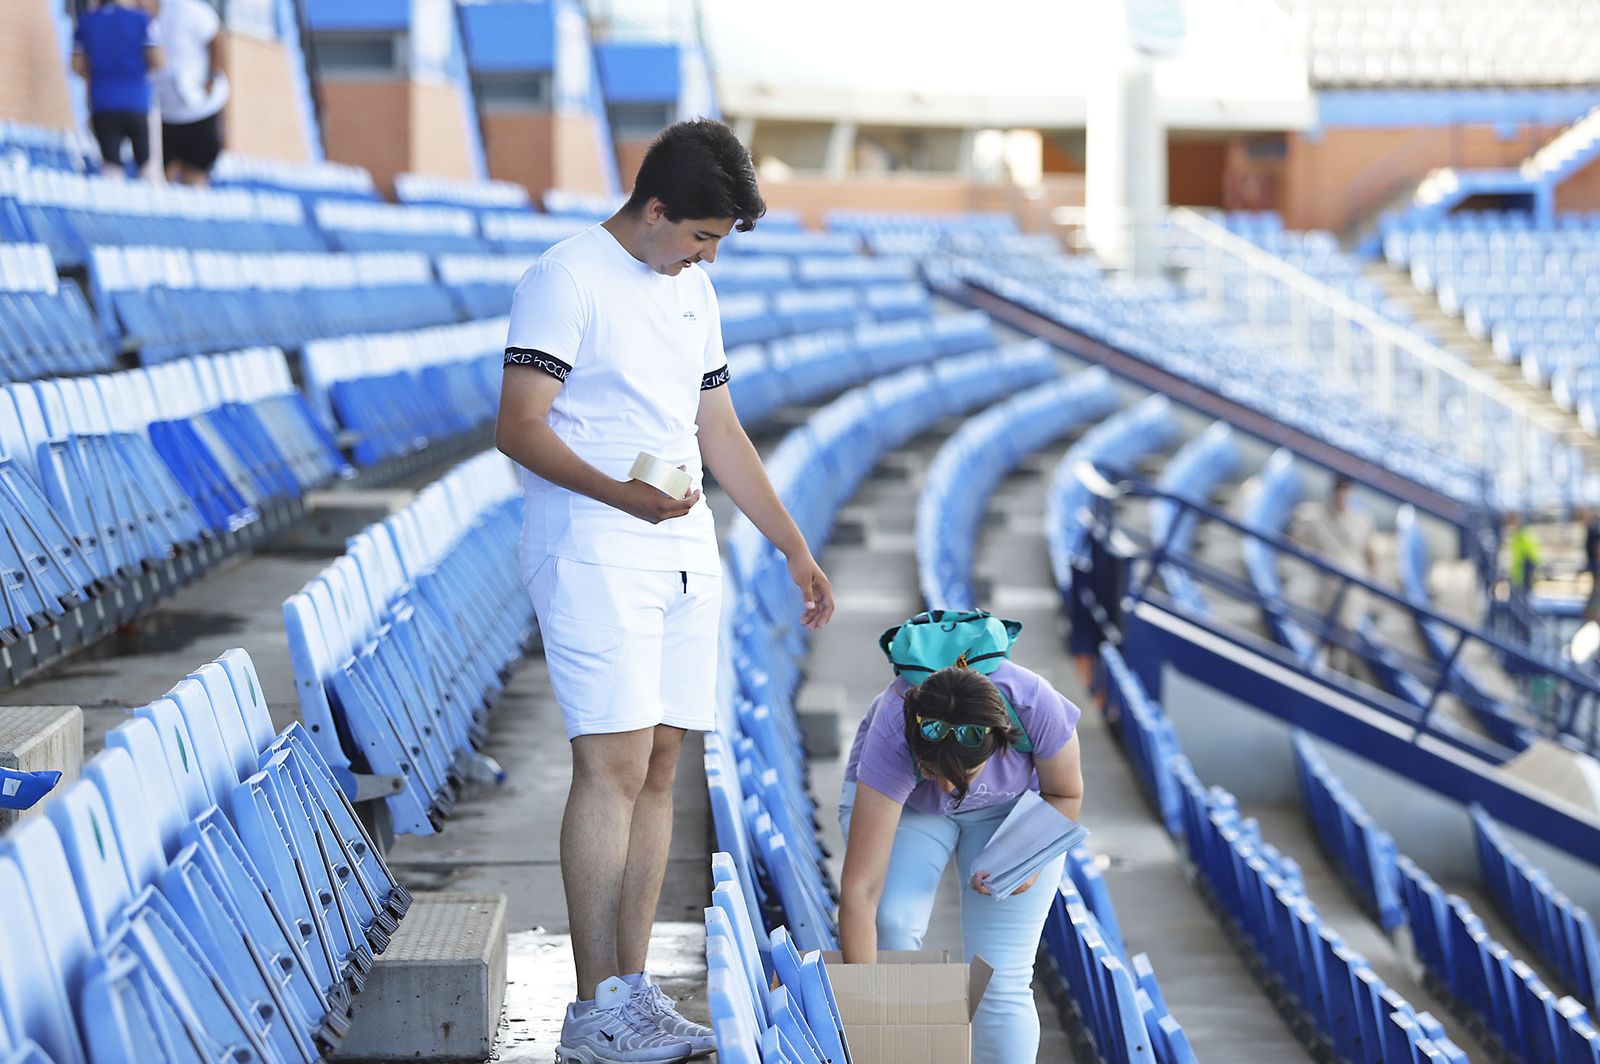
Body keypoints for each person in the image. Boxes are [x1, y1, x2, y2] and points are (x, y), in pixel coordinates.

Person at [495, 119, 835, 1064]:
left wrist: (792, 545)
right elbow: (518, 427)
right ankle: (593, 1007)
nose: (706, 256)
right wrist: (621, 495)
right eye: (699, 236)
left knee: (659, 764)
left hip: (682, 545)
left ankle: (633, 992)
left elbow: (717, 427)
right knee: (610, 762)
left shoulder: (694, 289)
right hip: (593, 545)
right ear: (653, 210)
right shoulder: (564, 280)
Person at [837, 661, 1085, 1064]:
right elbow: (860, 891)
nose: (949, 788)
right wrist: (866, 1014)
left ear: (1000, 741)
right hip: (912, 808)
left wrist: (1027, 865)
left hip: (1008, 807)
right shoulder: (893, 730)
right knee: (891, 925)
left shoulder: (1035, 704)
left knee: (1001, 976)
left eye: (964, 775)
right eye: (932, 771)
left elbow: (1065, 794)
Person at [1292, 474, 1377, 669]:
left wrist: (1371, 581)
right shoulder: (1315, 517)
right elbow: (1294, 539)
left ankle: (1340, 670)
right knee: (1326, 635)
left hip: (1353, 589)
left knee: (1345, 635)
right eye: (1339, 490)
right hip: (1328, 586)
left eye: (1345, 490)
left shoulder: (1362, 520)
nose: (1341, 495)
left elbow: (1370, 552)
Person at [72, 0, 164, 177]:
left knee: (111, 167)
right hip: (138, 102)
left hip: (102, 102)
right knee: (147, 166)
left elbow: (77, 66)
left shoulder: (87, 21)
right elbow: (158, 60)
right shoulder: (143, 20)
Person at [148, 0, 229, 186]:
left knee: (195, 175)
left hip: (199, 110)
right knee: (161, 177)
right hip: (164, 114)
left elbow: (217, 39)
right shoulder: (137, 16)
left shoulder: (188, 10)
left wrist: (211, 78)